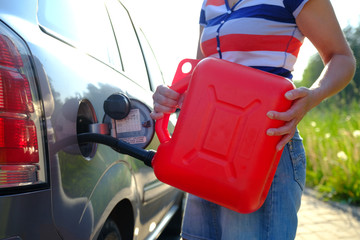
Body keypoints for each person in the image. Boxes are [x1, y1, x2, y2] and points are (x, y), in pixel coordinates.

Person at [151, 0, 356, 239]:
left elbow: (342, 58)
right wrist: (173, 96)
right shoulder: (210, 4)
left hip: (262, 147)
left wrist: (313, 96)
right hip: (204, 148)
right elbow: (201, 74)